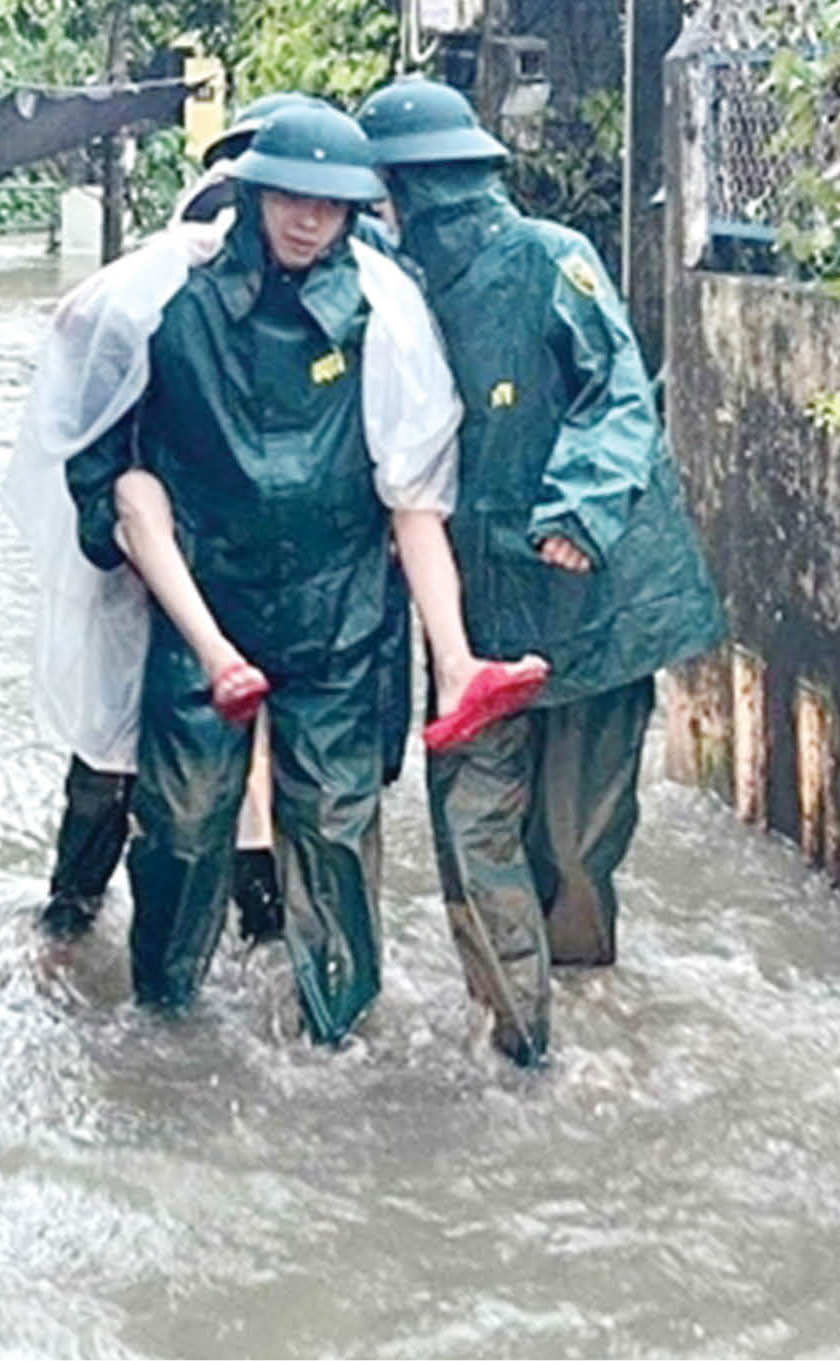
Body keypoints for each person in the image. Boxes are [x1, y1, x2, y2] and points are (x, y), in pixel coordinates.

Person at [52, 103, 543, 1043]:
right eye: (292, 196)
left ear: (357, 207)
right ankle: (163, 1025)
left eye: (332, 203)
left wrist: (449, 651)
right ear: (254, 190)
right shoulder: (170, 298)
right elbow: (93, 435)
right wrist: (112, 536)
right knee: (183, 822)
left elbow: (414, 480)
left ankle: (339, 1028)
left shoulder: (382, 306)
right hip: (206, 606)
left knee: (337, 825)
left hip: (339, 612)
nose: (309, 220)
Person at [357, 78, 726, 1067]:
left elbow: (616, 396)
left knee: (571, 842)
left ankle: (579, 1001)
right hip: (465, 614)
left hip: (587, 602)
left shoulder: (552, 261)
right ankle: (515, 1041)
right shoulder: (382, 288)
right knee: (475, 833)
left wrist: (577, 508)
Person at [28, 90, 404, 949]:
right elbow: (94, 358)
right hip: (164, 546)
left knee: (253, 764)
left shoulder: (354, 260)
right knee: (122, 745)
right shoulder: (183, 257)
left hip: (294, 576)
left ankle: (257, 924)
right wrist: (112, 522)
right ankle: (79, 906)